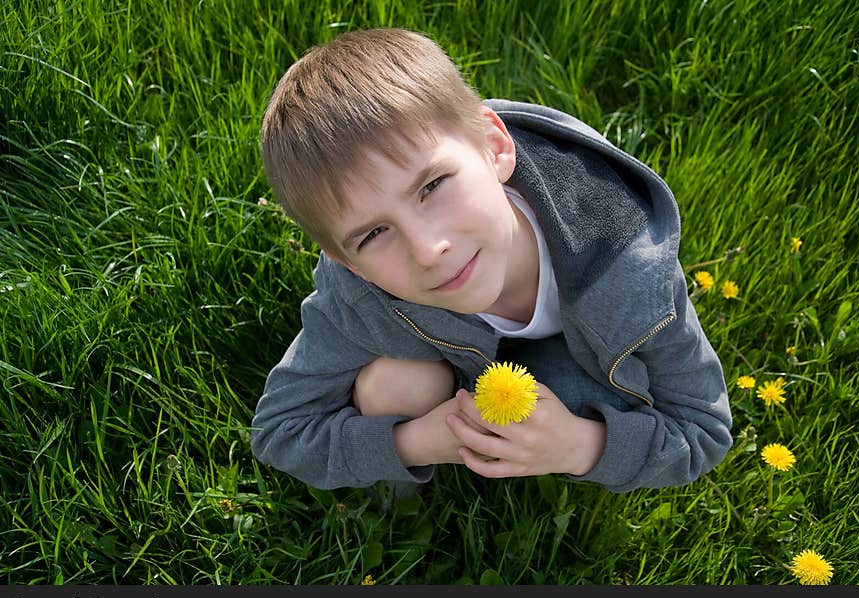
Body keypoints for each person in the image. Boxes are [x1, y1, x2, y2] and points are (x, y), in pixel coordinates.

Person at [251, 27, 733, 493]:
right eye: (375, 233)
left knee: (591, 395)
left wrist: (580, 447)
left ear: (495, 147)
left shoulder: (625, 259)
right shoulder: (361, 292)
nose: (427, 249)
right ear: (347, 263)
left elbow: (704, 431)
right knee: (392, 389)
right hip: (450, 374)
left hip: (578, 356)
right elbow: (279, 430)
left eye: (432, 186)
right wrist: (416, 442)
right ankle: (402, 519)